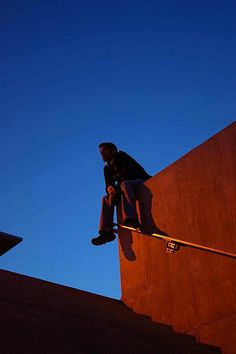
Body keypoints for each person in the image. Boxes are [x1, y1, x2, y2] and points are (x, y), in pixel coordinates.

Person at [91, 142, 152, 246]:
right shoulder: (107, 168)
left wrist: (115, 188)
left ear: (113, 150)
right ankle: (106, 232)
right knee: (105, 198)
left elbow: (129, 175)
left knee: (124, 184)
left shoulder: (122, 156)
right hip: (124, 187)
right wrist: (110, 190)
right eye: (100, 152)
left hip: (140, 181)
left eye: (104, 150)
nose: (102, 154)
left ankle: (131, 218)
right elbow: (108, 184)